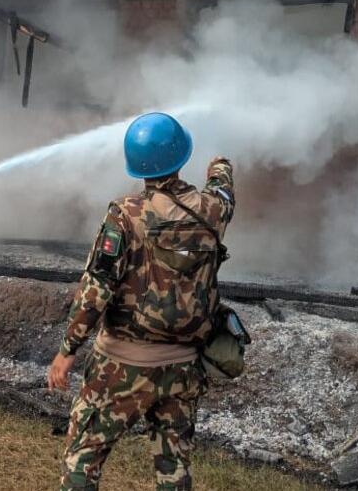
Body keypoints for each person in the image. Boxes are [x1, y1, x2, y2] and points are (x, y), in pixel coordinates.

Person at [47, 112, 235, 491]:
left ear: (138, 166)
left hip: (122, 366)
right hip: (183, 368)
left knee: (83, 456)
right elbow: (224, 189)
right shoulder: (213, 210)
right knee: (174, 465)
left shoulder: (125, 216)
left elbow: (95, 290)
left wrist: (67, 350)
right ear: (181, 158)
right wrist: (220, 163)